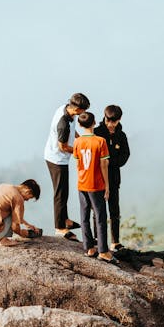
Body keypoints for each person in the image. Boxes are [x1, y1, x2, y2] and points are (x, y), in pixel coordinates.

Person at [43, 93, 90, 240]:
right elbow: (62, 146)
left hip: (60, 158)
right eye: (83, 111)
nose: (84, 114)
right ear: (76, 109)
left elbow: (73, 129)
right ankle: (60, 227)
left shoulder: (67, 109)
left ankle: (65, 219)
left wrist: (80, 139)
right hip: (56, 159)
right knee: (60, 194)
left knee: (65, 191)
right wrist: (80, 151)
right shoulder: (62, 123)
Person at [72, 112, 116, 263]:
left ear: (79, 125)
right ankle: (103, 250)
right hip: (96, 184)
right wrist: (107, 186)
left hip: (82, 183)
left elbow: (78, 163)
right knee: (100, 217)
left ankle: (89, 248)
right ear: (94, 123)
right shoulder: (100, 141)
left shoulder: (77, 142)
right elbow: (104, 165)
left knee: (84, 216)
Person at [94, 104, 131, 251]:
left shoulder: (121, 136)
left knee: (114, 211)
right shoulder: (97, 133)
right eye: (108, 121)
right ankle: (98, 240)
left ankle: (115, 241)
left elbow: (125, 155)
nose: (110, 124)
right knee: (97, 211)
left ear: (119, 120)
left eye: (113, 122)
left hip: (114, 178)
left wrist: (110, 163)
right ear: (104, 117)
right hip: (98, 178)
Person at [0, 180, 42, 247]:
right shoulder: (18, 198)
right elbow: (15, 226)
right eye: (29, 198)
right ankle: (4, 240)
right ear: (28, 191)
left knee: (11, 211)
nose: (26, 200)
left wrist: (27, 224)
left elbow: (14, 215)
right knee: (12, 213)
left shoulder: (4, 186)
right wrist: (24, 233)